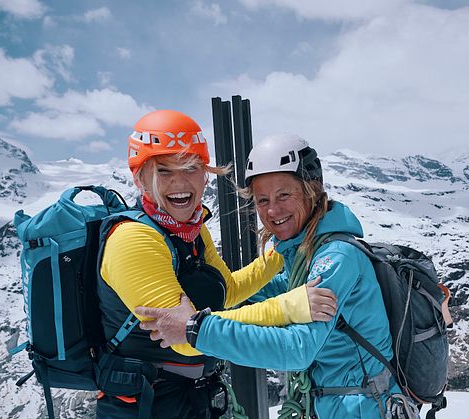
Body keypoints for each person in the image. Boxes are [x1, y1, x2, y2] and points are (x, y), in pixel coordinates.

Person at [137, 134, 417, 418]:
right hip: (338, 405)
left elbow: (298, 349)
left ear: (312, 189)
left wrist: (196, 330)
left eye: (284, 195)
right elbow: (263, 298)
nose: (272, 210)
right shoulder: (303, 256)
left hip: (364, 407)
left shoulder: (335, 259)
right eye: (262, 200)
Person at [96, 111, 338, 419]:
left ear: (205, 174)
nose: (180, 183)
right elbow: (187, 338)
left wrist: (285, 242)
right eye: (165, 171)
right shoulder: (134, 241)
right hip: (146, 406)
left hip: (194, 398)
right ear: (140, 177)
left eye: (191, 168)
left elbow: (228, 291)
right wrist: (288, 308)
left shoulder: (192, 229)